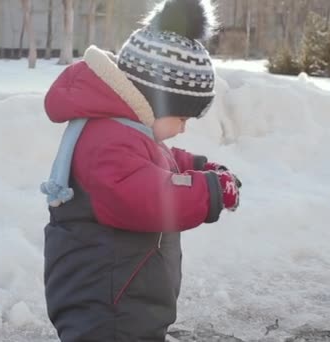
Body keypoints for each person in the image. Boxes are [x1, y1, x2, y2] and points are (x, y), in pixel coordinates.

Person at [41, 0, 241, 340]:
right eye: (181, 117)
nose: (182, 128)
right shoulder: (108, 138)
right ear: (155, 100)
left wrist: (194, 166)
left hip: (125, 291)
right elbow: (144, 195)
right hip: (107, 302)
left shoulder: (123, 131)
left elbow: (151, 161)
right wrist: (208, 190)